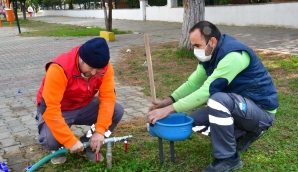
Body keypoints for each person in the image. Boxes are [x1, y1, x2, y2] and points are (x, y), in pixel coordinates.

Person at [147, 21, 278, 172]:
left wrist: (170, 109)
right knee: (193, 121)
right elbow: (193, 84)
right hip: (239, 107)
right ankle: (243, 134)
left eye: (197, 45)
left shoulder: (233, 56)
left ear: (213, 41)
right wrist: (166, 102)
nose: (195, 50)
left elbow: (206, 91)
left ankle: (228, 158)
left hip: (261, 111)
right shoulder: (209, 56)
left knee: (217, 100)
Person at [36, 37, 124, 164]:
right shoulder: (59, 68)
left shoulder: (105, 68)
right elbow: (50, 108)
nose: (94, 73)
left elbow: (108, 98)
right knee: (50, 140)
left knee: (117, 111)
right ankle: (57, 148)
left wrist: (100, 131)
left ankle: (88, 144)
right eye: (91, 68)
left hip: (84, 105)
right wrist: (69, 140)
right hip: (60, 109)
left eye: (98, 69)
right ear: (81, 59)